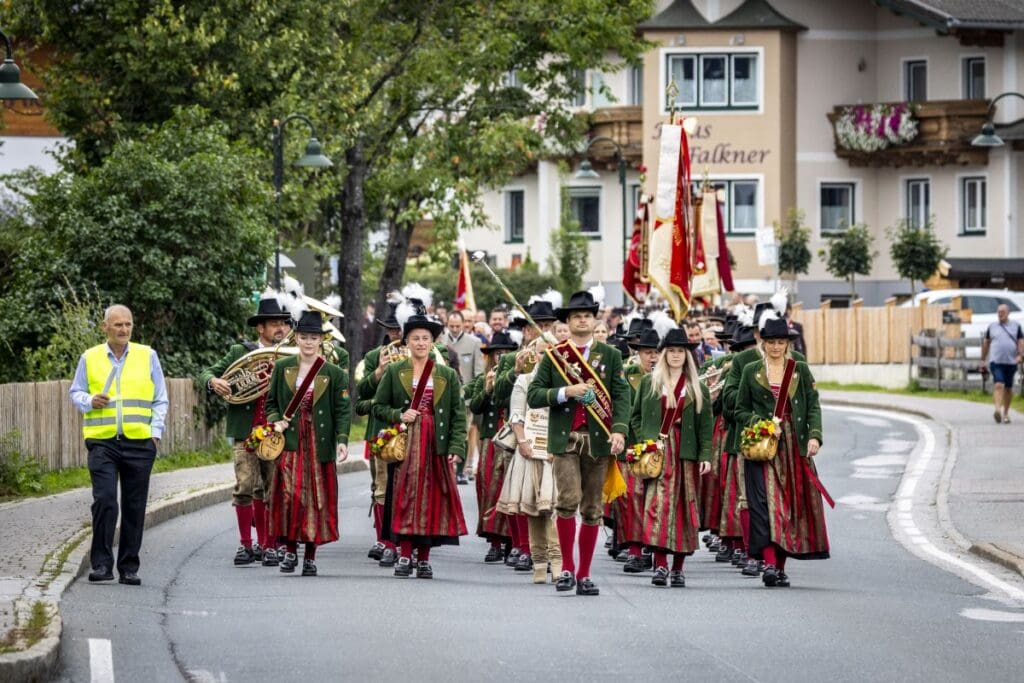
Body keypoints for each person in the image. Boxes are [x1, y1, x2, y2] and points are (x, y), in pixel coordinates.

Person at [527, 290, 631, 596]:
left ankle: (584, 574)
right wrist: (565, 392)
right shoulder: (554, 355)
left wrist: (620, 430)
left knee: (592, 508)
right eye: (576, 316)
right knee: (567, 502)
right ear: (568, 321)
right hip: (566, 439)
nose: (582, 320)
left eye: (587, 315)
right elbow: (535, 395)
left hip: (598, 439)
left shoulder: (611, 356)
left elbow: (622, 395)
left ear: (594, 319)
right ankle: (567, 570)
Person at [69, 304, 168, 586]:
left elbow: (161, 397)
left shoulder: (147, 355)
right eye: (118, 325)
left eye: (128, 325)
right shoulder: (89, 358)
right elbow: (75, 392)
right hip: (102, 442)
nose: (124, 329)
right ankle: (101, 564)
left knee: (135, 506)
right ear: (105, 328)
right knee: (105, 501)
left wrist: (155, 433)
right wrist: (90, 401)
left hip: (140, 442)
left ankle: (129, 567)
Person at [199, 288, 291, 567]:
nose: (281, 328)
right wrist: (214, 382)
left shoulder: (289, 354)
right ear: (260, 327)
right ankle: (245, 545)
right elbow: (207, 372)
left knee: (271, 488)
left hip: (276, 431)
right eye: (275, 323)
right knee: (245, 486)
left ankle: (268, 544)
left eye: (284, 323)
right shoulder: (241, 352)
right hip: (245, 431)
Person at [372, 312, 469, 579]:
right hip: (405, 444)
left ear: (433, 342)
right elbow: (377, 407)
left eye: (425, 338)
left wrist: (456, 447)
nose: (421, 343)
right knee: (404, 498)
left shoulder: (446, 374)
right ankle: (404, 554)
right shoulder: (394, 371)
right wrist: (399, 415)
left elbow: (458, 415)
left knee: (431, 501)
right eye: (415, 338)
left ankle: (424, 559)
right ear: (406, 342)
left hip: (434, 445)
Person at [735, 314, 828, 587]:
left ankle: (780, 566)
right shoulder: (752, 371)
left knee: (788, 506)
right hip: (762, 448)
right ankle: (770, 564)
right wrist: (760, 425)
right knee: (764, 506)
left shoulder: (799, 368)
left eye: (781, 342)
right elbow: (739, 410)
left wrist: (814, 436)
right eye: (771, 342)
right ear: (762, 343)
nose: (776, 347)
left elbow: (813, 404)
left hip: (793, 448)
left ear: (788, 344)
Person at [265, 307, 350, 576]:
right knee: (289, 496)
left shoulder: (334, 373)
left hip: (319, 442)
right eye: (304, 336)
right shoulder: (281, 367)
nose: (309, 342)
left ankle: (311, 556)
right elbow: (270, 404)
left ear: (321, 340)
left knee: (316, 499)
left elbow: (343, 410)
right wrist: (276, 420)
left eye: (314, 337)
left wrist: (342, 439)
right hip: (290, 441)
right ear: (296, 338)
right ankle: (290, 551)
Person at [630, 328, 713, 587]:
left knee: (683, 509)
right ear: (664, 354)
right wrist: (643, 442)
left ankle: (678, 568)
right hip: (657, 454)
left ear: (687, 355)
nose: (676, 355)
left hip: (685, 455)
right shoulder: (649, 383)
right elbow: (635, 417)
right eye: (672, 351)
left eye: (681, 351)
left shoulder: (698, 387)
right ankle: (661, 566)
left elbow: (705, 427)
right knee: (657, 506)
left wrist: (706, 455)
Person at [500, 333, 562, 583]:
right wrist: (522, 442)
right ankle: (538, 563)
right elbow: (516, 415)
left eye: (551, 351)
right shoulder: (525, 380)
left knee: (556, 509)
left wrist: (560, 445)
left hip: (555, 453)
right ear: (533, 354)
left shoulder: (565, 381)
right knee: (533, 510)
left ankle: (558, 563)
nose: (545, 356)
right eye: (541, 351)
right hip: (529, 450)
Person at [355, 300, 405, 567]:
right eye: (391, 330)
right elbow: (361, 393)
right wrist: (378, 372)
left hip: (410, 427)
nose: (395, 335)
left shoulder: (422, 352)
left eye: (399, 330)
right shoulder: (375, 355)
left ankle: (404, 541)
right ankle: (385, 542)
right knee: (382, 488)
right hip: (382, 430)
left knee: (407, 487)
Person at [467, 331, 519, 563]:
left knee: (513, 490)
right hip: (490, 440)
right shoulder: (482, 378)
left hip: (513, 439)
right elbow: (475, 406)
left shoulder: (518, 378)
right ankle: (495, 542)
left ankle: (513, 541)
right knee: (490, 491)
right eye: (498, 353)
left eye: (506, 353)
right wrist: (488, 388)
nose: (501, 357)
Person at [615, 327, 661, 571]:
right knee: (630, 498)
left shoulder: (667, 377)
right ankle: (635, 549)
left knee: (653, 499)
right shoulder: (627, 374)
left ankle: (652, 546)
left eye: (655, 353)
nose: (652, 357)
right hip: (631, 447)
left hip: (659, 448)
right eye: (647, 353)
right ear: (639, 354)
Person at [441, 310, 484, 484]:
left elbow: (478, 372)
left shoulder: (474, 342)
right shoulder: (440, 341)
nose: (455, 329)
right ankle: (446, 469)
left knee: (463, 433)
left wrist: (472, 396)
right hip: (442, 396)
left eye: (458, 326)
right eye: (451, 326)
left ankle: (460, 471)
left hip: (464, 398)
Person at [981, 303, 1023, 424]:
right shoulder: (992, 327)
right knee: (999, 384)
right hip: (996, 361)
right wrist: (983, 360)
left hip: (1011, 362)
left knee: (1008, 388)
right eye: (999, 312)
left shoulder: (1016, 326)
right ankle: (997, 410)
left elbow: (1020, 342)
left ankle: (1006, 413)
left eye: (1003, 312)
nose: (1000, 314)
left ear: (1008, 313)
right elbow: (986, 343)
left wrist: (1020, 355)